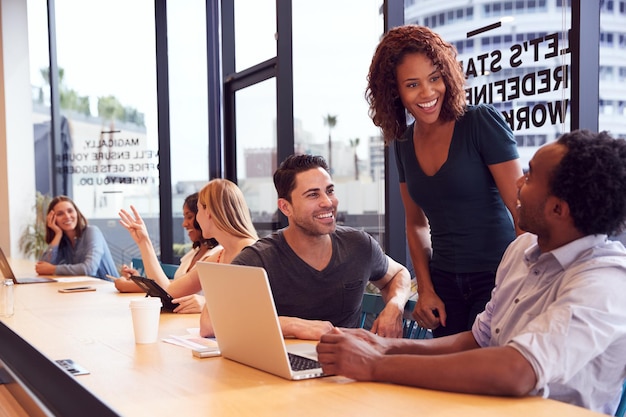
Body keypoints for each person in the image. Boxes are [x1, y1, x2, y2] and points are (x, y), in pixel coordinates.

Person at [316, 130, 626, 415]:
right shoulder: (522, 250)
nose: (518, 182)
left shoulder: (606, 282)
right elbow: (480, 340)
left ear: (558, 210)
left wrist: (375, 365)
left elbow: (515, 371)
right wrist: (384, 347)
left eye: (530, 178)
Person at [366, 25, 523, 337]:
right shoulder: (403, 142)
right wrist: (424, 289)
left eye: (434, 78)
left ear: (448, 77)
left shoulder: (479, 122)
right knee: (446, 381)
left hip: (498, 277)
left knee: (480, 376)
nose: (427, 93)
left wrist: (519, 283)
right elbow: (415, 224)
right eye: (413, 84)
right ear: (394, 91)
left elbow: (521, 212)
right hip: (443, 284)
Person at [199, 154, 411, 340]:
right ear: (285, 207)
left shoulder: (358, 245)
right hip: (283, 370)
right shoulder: (260, 258)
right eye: (313, 195)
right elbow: (208, 322)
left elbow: (398, 274)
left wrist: (395, 306)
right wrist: (293, 326)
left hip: (350, 366)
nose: (327, 202)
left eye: (330, 191)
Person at [119, 179, 258, 314]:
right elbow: (168, 291)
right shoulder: (219, 258)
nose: (196, 219)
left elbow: (253, 308)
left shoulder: (253, 253)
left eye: (197, 211)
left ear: (208, 212)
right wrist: (144, 241)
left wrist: (207, 304)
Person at [114, 192, 218, 293]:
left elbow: (169, 288)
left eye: (190, 217)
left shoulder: (216, 257)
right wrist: (139, 279)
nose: (184, 224)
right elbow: (171, 287)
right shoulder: (196, 253)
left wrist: (128, 285)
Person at [35, 195, 117, 281]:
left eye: (70, 211)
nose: (67, 216)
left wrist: (53, 269)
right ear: (53, 219)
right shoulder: (63, 241)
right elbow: (43, 267)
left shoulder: (92, 231)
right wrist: (58, 234)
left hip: (107, 289)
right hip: (83, 289)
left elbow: (89, 269)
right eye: (60, 214)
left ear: (77, 213)